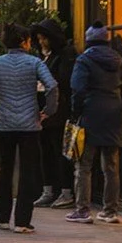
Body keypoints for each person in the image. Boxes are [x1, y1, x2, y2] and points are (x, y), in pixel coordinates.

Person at [0, 23, 58, 234]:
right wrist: (48, 110)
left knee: (5, 171)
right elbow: (52, 86)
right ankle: (22, 221)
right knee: (28, 171)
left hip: (5, 123)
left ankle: (1, 218)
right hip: (30, 124)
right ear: (24, 41)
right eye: (29, 40)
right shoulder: (35, 63)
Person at [65, 21, 122, 225]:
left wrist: (76, 112)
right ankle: (110, 211)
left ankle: (83, 210)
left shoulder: (84, 60)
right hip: (114, 114)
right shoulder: (118, 59)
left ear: (88, 40)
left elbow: (78, 88)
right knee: (111, 166)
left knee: (83, 165)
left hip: (90, 113)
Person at [31, 18, 76, 209]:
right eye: (39, 39)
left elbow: (63, 82)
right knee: (47, 152)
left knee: (59, 151)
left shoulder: (63, 56)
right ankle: (49, 190)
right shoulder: (45, 57)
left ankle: (65, 191)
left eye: (44, 39)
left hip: (58, 112)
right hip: (44, 113)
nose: (41, 42)